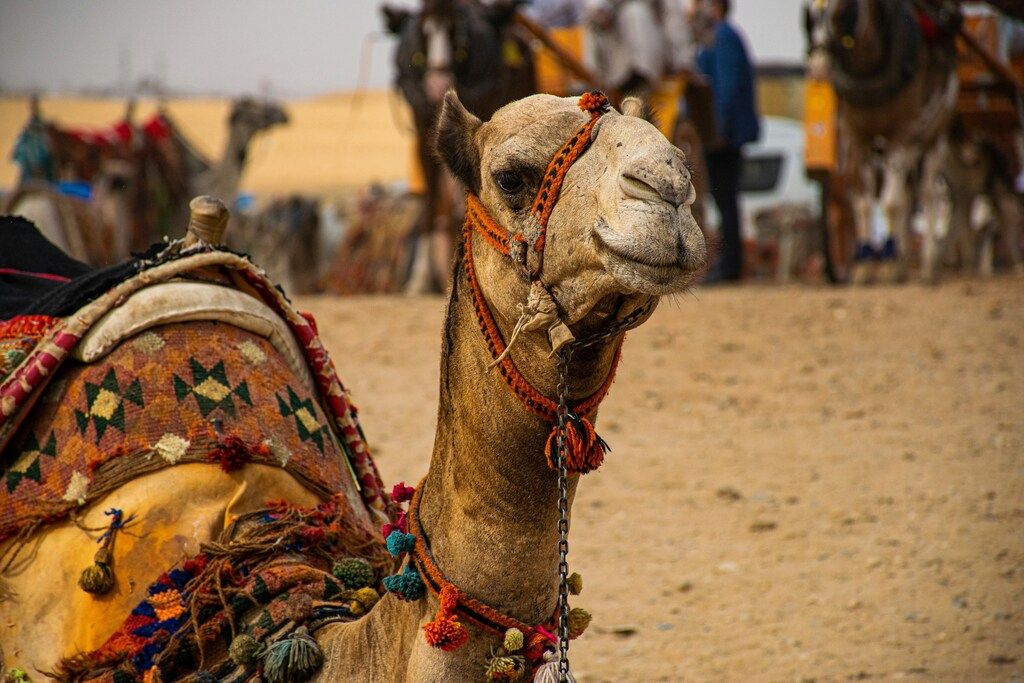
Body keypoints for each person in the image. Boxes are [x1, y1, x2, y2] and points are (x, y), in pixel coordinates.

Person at [693, 0, 759, 282]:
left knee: (725, 199)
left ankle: (730, 266)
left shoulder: (723, 36)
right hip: (723, 132)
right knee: (724, 199)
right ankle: (729, 264)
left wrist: (718, 130)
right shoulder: (720, 36)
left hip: (724, 136)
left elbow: (727, 87)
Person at [586, 0, 695, 98]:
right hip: (615, 58)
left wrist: (682, 58)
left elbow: (672, 16)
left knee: (635, 13)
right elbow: (596, 11)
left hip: (652, 54)